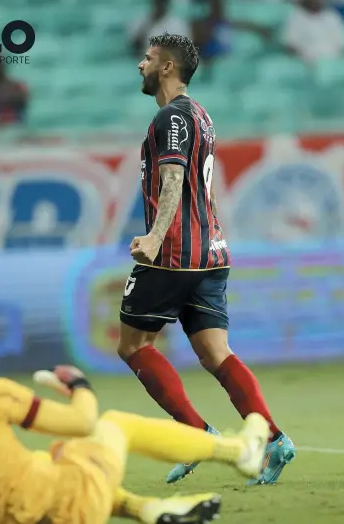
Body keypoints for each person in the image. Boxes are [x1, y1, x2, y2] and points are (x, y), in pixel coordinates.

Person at [120, 33, 295, 485]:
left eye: (148, 58)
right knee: (216, 353)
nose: (140, 65)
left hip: (175, 255)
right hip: (211, 253)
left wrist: (156, 238)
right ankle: (275, 440)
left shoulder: (170, 117)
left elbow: (174, 180)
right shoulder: (201, 115)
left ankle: (197, 435)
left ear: (166, 68)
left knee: (134, 346)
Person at [0, 329, 270, 524]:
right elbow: (83, 422)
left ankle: (150, 508)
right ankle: (241, 452)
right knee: (114, 426)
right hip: (62, 509)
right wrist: (78, 386)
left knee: (60, 458)